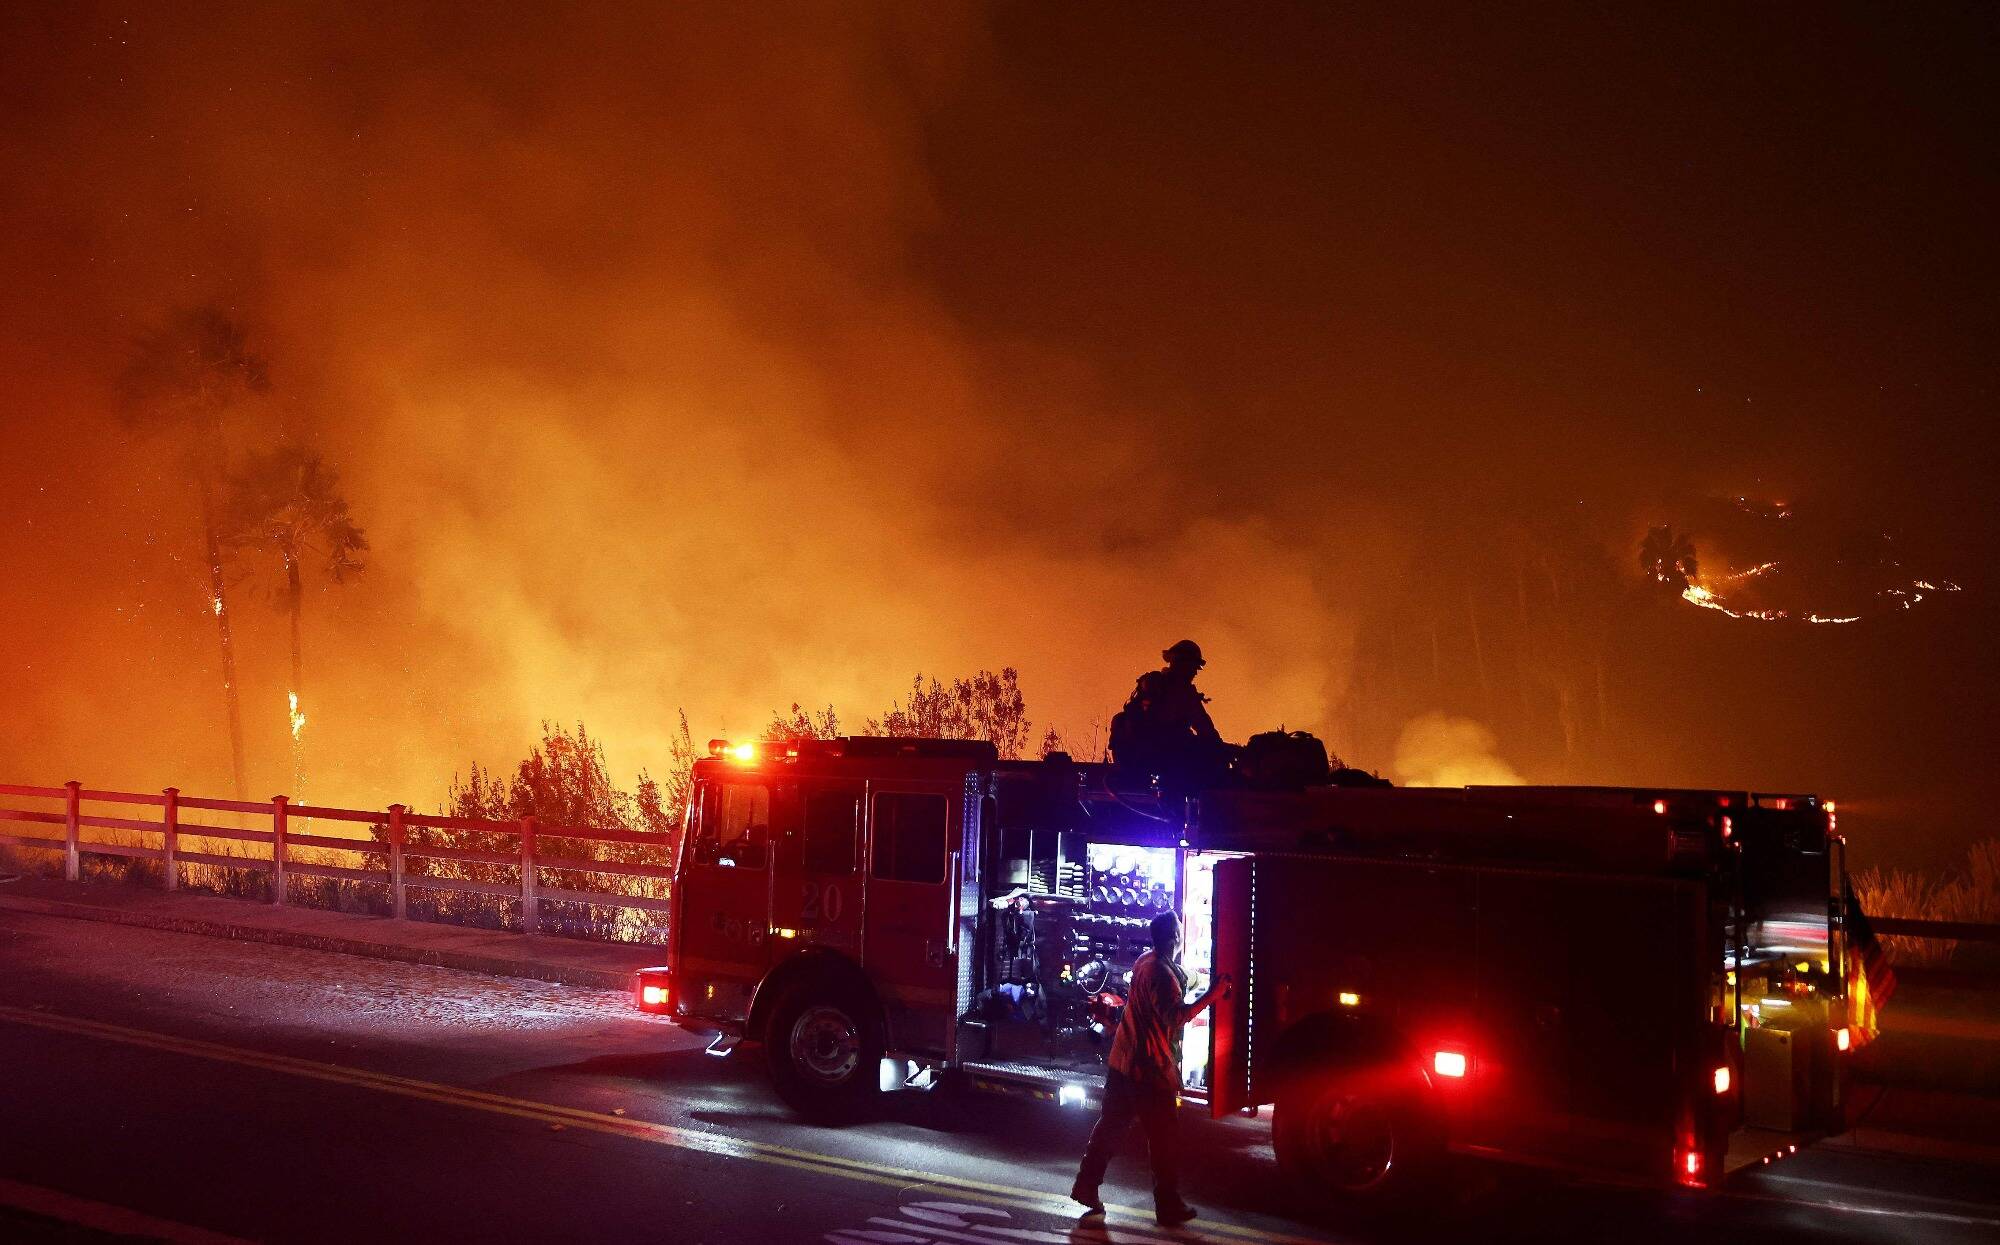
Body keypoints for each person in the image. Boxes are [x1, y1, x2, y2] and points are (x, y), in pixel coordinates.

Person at [1070, 911, 1229, 1226]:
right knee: (1164, 1138)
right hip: (1148, 1069)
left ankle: (1086, 1185)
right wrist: (1213, 994)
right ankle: (1168, 1205)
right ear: (1175, 938)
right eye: (1181, 931)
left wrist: (1202, 977)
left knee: (1111, 1126)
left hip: (1122, 1061)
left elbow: (1180, 976)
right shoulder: (1162, 974)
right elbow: (1176, 1016)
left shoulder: (1146, 960)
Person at [1109, 640, 1230, 789]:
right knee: (1212, 760)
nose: (1195, 672)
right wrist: (1222, 750)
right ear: (1182, 664)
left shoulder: (1151, 684)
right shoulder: (1183, 692)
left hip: (1138, 762)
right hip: (1166, 759)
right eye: (1193, 667)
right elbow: (1204, 729)